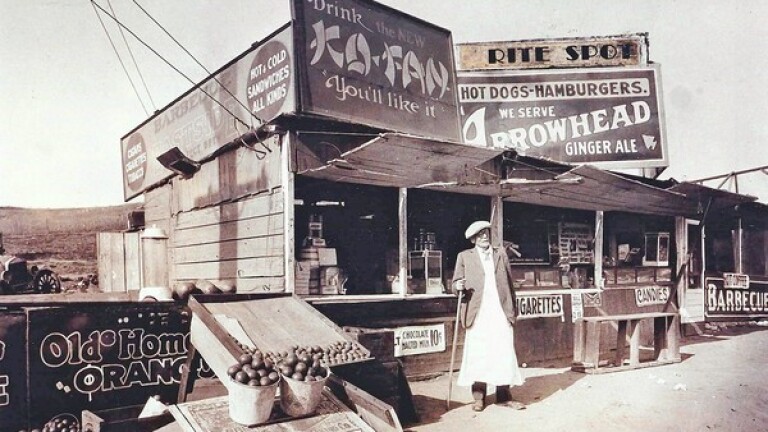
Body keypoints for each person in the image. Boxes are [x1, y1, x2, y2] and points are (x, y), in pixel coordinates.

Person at [452, 220, 525, 412]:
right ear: (473, 239)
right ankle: (479, 398)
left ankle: (503, 396)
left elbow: (509, 284)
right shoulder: (464, 257)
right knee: (479, 354)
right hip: (478, 313)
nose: (485, 236)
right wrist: (457, 286)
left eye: (486, 233)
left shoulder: (500, 254)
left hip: (499, 311)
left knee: (502, 352)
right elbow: (454, 284)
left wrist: (512, 311)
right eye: (480, 234)